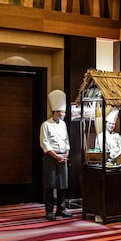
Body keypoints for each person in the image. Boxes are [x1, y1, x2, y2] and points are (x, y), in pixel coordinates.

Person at [40, 89, 71, 221]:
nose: (63, 114)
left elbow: (66, 141)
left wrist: (66, 153)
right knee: (50, 185)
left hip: (63, 157)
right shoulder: (45, 125)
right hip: (51, 157)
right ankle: (49, 211)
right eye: (61, 112)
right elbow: (44, 143)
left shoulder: (63, 125)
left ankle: (61, 209)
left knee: (63, 185)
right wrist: (56, 156)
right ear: (56, 112)